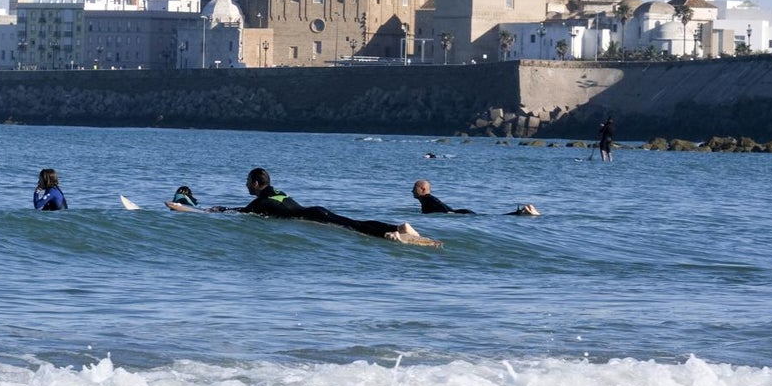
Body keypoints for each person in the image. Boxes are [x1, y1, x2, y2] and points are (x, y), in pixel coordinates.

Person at [209, 168, 441, 246]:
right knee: (354, 223)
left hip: (313, 215)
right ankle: (398, 227)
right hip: (315, 209)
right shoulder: (276, 192)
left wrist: (217, 210)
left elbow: (241, 211)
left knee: (355, 228)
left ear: (257, 184)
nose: (246, 185)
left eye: (248, 182)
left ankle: (392, 233)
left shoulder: (260, 201)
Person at [412, 179, 538, 216]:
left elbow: (443, 208)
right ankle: (523, 212)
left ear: (423, 190)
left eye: (414, 188)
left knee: (493, 217)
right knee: (492, 217)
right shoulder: (426, 199)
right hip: (462, 212)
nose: (412, 190)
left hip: (462, 213)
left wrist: (450, 214)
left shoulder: (428, 199)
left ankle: (522, 212)